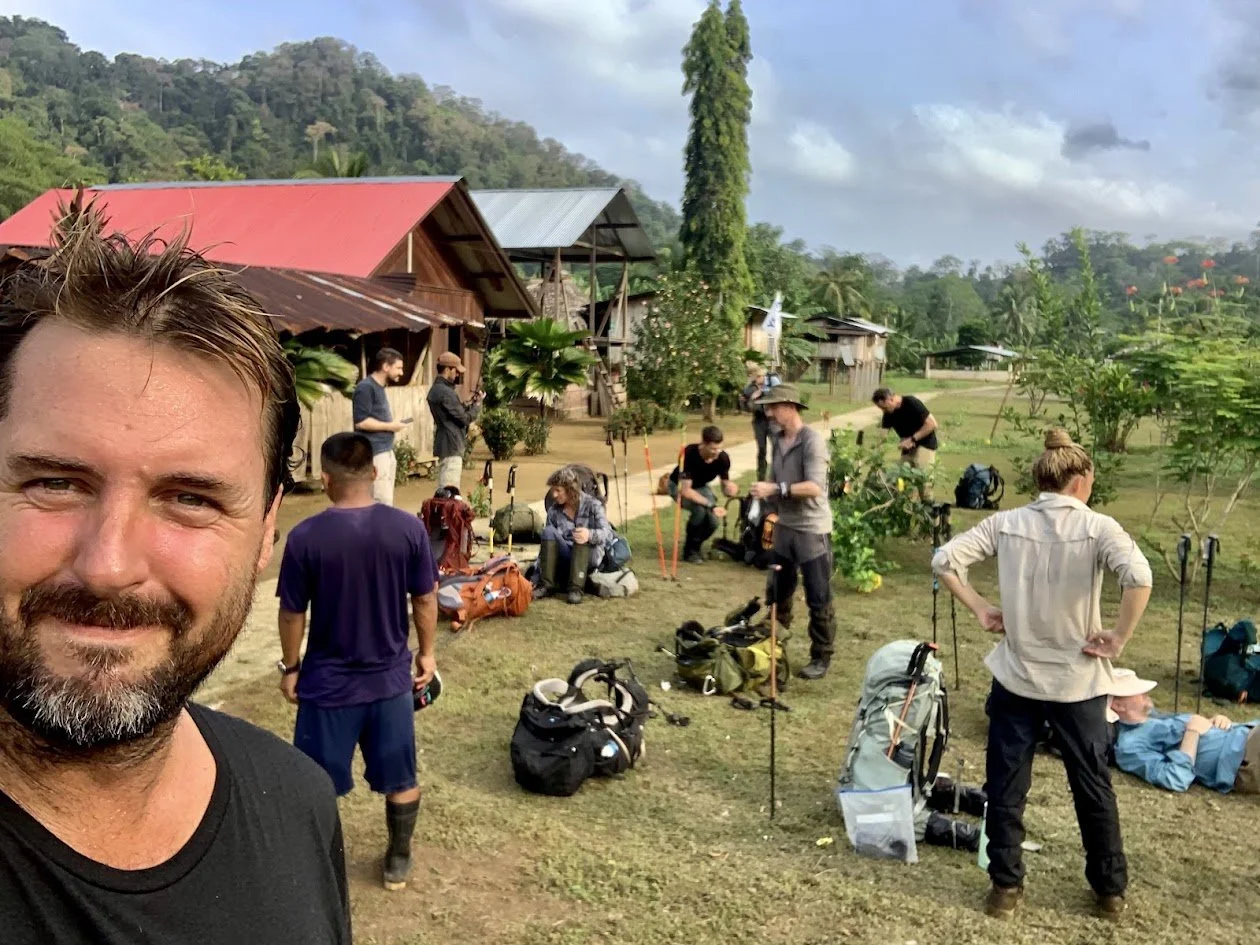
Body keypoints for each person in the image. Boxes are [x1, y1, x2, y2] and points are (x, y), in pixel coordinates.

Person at [0, 212, 349, 942]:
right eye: (55, 483)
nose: (109, 567)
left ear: (266, 530)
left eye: (190, 499)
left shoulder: (298, 804)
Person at [932, 429, 1153, 922]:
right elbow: (1139, 576)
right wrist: (1119, 636)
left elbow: (944, 560)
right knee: (1092, 786)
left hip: (1017, 677)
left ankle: (1004, 887)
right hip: (1078, 682)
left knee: (1006, 786)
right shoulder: (1098, 527)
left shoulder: (1006, 522)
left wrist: (981, 607)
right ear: (1081, 480)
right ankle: (1109, 892)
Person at [276, 432, 439, 891]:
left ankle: (318, 866)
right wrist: (426, 653)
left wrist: (291, 666)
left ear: (326, 479)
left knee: (314, 783)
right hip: (390, 683)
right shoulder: (408, 529)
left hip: (327, 686)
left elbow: (292, 612)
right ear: (375, 471)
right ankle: (398, 858)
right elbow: (425, 598)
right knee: (401, 777)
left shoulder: (305, 537)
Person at [747, 384, 836, 681]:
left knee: (818, 595)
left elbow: (814, 487)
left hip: (811, 529)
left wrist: (776, 488)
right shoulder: (777, 439)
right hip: (784, 527)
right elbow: (774, 478)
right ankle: (773, 644)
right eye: (767, 408)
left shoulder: (812, 442)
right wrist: (765, 501)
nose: (769, 413)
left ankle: (821, 656)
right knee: (778, 591)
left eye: (773, 407)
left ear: (790, 406)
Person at [1108, 671, 1258, 795]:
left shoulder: (1156, 718)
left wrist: (1218, 722)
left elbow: (1199, 727)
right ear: (1118, 705)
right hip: (1240, 758)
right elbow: (1176, 778)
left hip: (1245, 734)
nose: (1145, 693)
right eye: (1135, 691)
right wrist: (1192, 733)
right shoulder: (1130, 745)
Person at [537, 466, 613, 605]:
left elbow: (607, 533)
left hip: (589, 556)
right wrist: (536, 573)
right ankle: (546, 586)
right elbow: (545, 548)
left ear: (570, 489)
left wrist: (589, 535)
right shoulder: (554, 511)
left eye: (558, 490)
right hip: (566, 555)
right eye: (553, 490)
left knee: (580, 535)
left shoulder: (593, 505)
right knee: (548, 531)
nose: (554, 495)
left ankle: (576, 589)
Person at [668, 425, 740, 564]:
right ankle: (689, 551)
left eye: (719, 448)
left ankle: (696, 545)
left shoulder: (723, 458)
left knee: (713, 521)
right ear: (703, 444)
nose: (716, 452)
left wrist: (731, 489)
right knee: (699, 511)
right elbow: (686, 491)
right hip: (678, 486)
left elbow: (725, 486)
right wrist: (711, 505)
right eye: (713, 449)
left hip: (700, 487)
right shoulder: (689, 453)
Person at [353, 346, 411, 506]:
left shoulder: (379, 387)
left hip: (385, 451)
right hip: (375, 452)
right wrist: (391, 426)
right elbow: (361, 422)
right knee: (380, 501)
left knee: (385, 500)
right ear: (386, 366)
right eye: (398, 368)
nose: (401, 372)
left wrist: (392, 425)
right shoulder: (366, 387)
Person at [426, 351, 483, 491]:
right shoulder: (446, 392)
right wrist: (477, 405)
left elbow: (455, 413)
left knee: (444, 488)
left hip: (445, 442)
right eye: (456, 371)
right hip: (451, 444)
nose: (457, 374)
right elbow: (465, 419)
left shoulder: (437, 390)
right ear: (447, 370)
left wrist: (469, 404)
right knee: (449, 490)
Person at [872, 387, 939, 473]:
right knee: (901, 477)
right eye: (881, 408)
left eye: (884, 407)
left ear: (891, 399)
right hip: (907, 449)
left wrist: (912, 439)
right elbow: (882, 435)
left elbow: (932, 424)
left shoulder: (911, 403)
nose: (883, 410)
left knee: (923, 477)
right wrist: (876, 453)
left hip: (925, 445)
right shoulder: (888, 413)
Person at [741, 361, 782, 482]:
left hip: (773, 420)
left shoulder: (772, 380)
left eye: (759, 376)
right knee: (761, 449)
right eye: (755, 377)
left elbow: (779, 391)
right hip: (759, 420)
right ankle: (761, 477)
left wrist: (763, 391)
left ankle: (777, 476)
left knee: (777, 447)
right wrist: (751, 398)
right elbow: (746, 400)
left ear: (764, 375)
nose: (757, 379)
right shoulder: (751, 387)